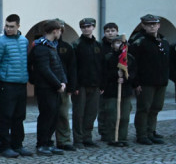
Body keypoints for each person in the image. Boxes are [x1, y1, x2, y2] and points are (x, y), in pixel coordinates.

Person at [129, 14, 171, 145]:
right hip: (145, 82)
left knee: (156, 107)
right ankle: (142, 134)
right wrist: (135, 83)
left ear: (158, 25)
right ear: (143, 26)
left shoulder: (163, 42)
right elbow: (132, 63)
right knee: (144, 108)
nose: (152, 26)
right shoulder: (139, 42)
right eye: (148, 24)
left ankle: (151, 131)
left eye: (154, 24)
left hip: (161, 81)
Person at [0, 13, 32, 158]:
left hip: (21, 83)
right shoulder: (0, 43)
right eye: (7, 26)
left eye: (12, 26)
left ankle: (18, 145)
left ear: (18, 26)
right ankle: (5, 147)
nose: (8, 29)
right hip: (7, 84)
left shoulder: (24, 41)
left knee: (19, 116)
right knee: (6, 117)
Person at [29, 19, 68, 156]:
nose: (60, 33)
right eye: (59, 31)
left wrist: (63, 82)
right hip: (45, 87)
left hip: (55, 87)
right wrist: (58, 84)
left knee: (54, 115)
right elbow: (45, 70)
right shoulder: (40, 47)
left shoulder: (52, 45)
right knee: (46, 116)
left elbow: (58, 66)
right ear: (55, 31)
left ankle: (48, 143)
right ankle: (41, 144)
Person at [101, 36, 137, 146]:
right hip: (111, 90)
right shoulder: (108, 57)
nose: (119, 45)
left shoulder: (129, 58)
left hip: (125, 91)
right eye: (116, 43)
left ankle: (122, 137)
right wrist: (115, 75)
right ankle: (112, 137)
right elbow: (103, 73)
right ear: (112, 45)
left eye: (121, 43)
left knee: (125, 116)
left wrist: (126, 78)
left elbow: (134, 73)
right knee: (112, 115)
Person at [72, 18, 103, 148]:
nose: (86, 28)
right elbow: (73, 67)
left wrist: (102, 84)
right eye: (83, 27)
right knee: (79, 113)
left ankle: (87, 137)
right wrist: (75, 85)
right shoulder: (76, 45)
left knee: (91, 113)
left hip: (95, 84)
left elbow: (102, 66)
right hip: (81, 85)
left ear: (93, 27)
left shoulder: (98, 45)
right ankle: (78, 139)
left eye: (88, 26)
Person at [55, 25, 78, 151]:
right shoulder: (43, 45)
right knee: (48, 115)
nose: (56, 32)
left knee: (63, 114)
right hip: (48, 86)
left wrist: (71, 87)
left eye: (59, 30)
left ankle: (64, 140)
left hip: (64, 86)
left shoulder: (67, 47)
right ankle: (45, 141)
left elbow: (72, 68)